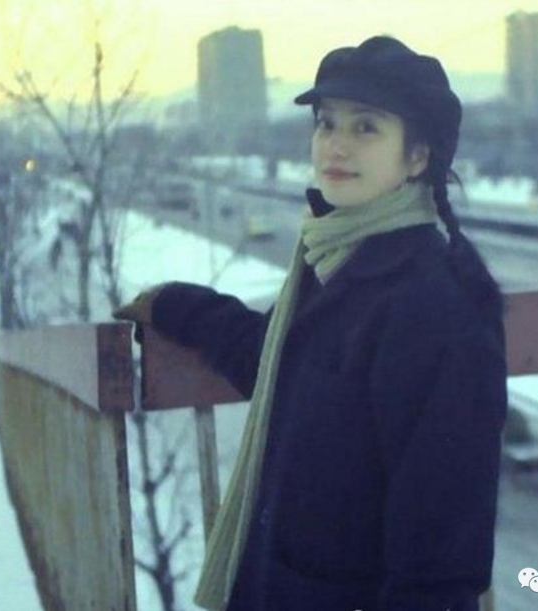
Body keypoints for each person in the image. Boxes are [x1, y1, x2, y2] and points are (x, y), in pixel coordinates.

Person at [114, 36, 508, 611]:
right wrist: (179, 307)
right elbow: (279, 365)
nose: (336, 145)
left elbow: (440, 564)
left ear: (417, 157)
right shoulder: (337, 264)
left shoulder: (431, 310)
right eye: (326, 124)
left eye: (365, 127)